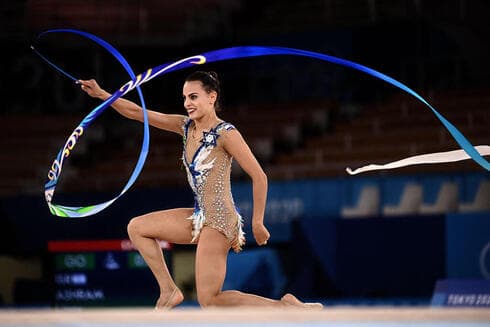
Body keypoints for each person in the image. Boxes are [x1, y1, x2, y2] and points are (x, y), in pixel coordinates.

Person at [79, 71, 322, 310]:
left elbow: (260, 176)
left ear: (211, 97)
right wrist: (102, 94)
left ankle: (284, 306)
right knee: (137, 227)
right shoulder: (184, 127)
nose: (187, 103)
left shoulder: (226, 134)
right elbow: (136, 113)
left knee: (210, 300)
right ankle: (169, 290)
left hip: (220, 220)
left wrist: (258, 222)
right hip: (199, 216)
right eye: (185, 98)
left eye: (193, 97)